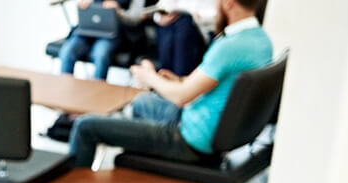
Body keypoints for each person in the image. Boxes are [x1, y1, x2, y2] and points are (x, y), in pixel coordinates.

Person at [68, 0, 273, 169]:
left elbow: (181, 97)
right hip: (206, 124)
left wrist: (150, 78)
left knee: (86, 126)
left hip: (189, 140)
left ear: (228, 3)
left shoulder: (229, 47)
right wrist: (176, 81)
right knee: (141, 102)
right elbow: (210, 84)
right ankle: (139, 154)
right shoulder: (260, 40)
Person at [57, 0, 147, 82]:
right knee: (67, 51)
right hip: (87, 30)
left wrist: (119, 11)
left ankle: (96, 92)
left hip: (112, 34)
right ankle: (65, 89)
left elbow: (136, 18)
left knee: (100, 54)